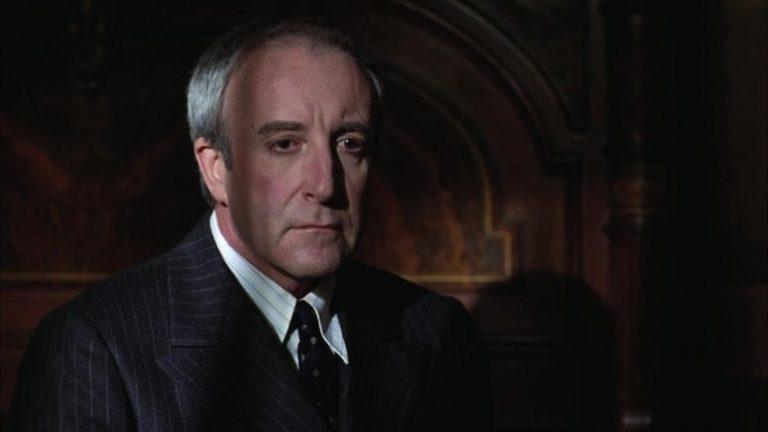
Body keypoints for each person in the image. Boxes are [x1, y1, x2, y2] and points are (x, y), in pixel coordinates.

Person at [9, 20, 492, 431]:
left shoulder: (435, 330)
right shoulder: (96, 346)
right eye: (284, 144)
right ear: (216, 168)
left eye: (349, 144)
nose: (325, 184)